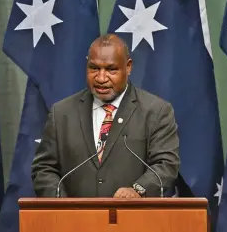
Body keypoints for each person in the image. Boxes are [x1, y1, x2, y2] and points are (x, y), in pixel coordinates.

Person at [31, 34, 180, 198]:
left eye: (111, 69)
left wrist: (138, 190)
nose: (101, 78)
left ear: (128, 67)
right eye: (94, 68)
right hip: (75, 221)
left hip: (135, 219)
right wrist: (64, 204)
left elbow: (166, 165)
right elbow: (44, 168)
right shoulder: (61, 113)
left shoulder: (156, 112)